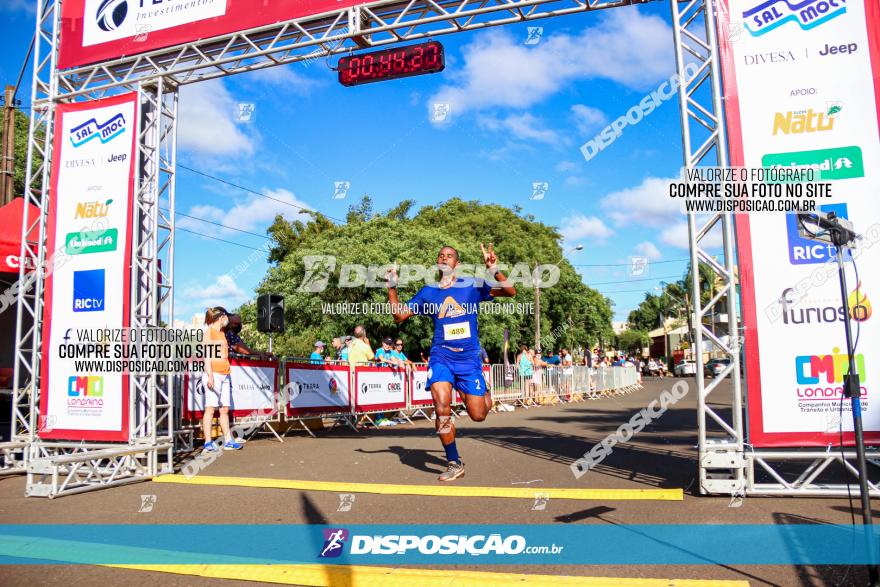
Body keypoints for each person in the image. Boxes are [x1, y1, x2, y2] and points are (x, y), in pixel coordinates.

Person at [388, 243, 516, 481]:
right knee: (441, 406)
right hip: (441, 356)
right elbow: (399, 316)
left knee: (478, 415)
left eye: (449, 256)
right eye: (440, 255)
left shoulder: (471, 285)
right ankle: (454, 462)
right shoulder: (428, 292)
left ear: (456, 263)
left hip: (468, 359)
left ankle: (483, 389)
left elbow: (510, 292)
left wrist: (494, 269)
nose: (444, 258)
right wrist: (392, 288)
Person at [202, 307, 242, 452]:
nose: (227, 320)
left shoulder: (222, 332)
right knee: (210, 408)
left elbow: (234, 320)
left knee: (224, 408)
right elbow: (206, 356)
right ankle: (207, 443)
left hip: (225, 374)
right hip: (213, 374)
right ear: (221, 318)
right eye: (225, 317)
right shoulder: (209, 333)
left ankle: (228, 440)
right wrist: (210, 375)